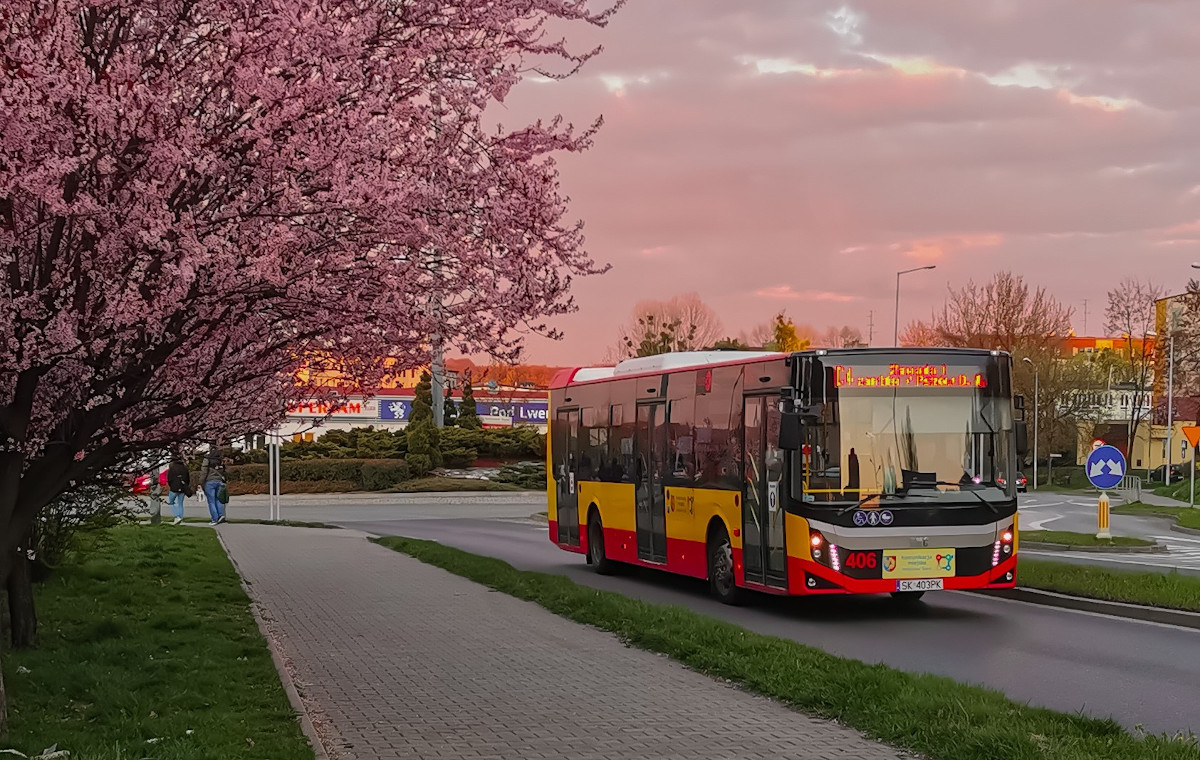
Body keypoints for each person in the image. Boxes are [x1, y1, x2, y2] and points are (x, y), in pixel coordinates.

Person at [197, 450, 228, 525]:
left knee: (211, 501)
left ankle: (214, 519)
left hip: (210, 482)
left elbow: (204, 472)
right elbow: (225, 471)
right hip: (220, 481)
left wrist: (200, 482)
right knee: (219, 499)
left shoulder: (207, 460)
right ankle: (221, 515)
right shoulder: (221, 461)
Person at [166, 453, 193, 525]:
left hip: (174, 488)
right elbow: (188, 479)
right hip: (183, 487)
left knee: (171, 502)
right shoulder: (185, 468)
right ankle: (180, 517)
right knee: (180, 503)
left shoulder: (172, 468)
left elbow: (169, 479)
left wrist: (171, 485)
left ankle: (176, 516)